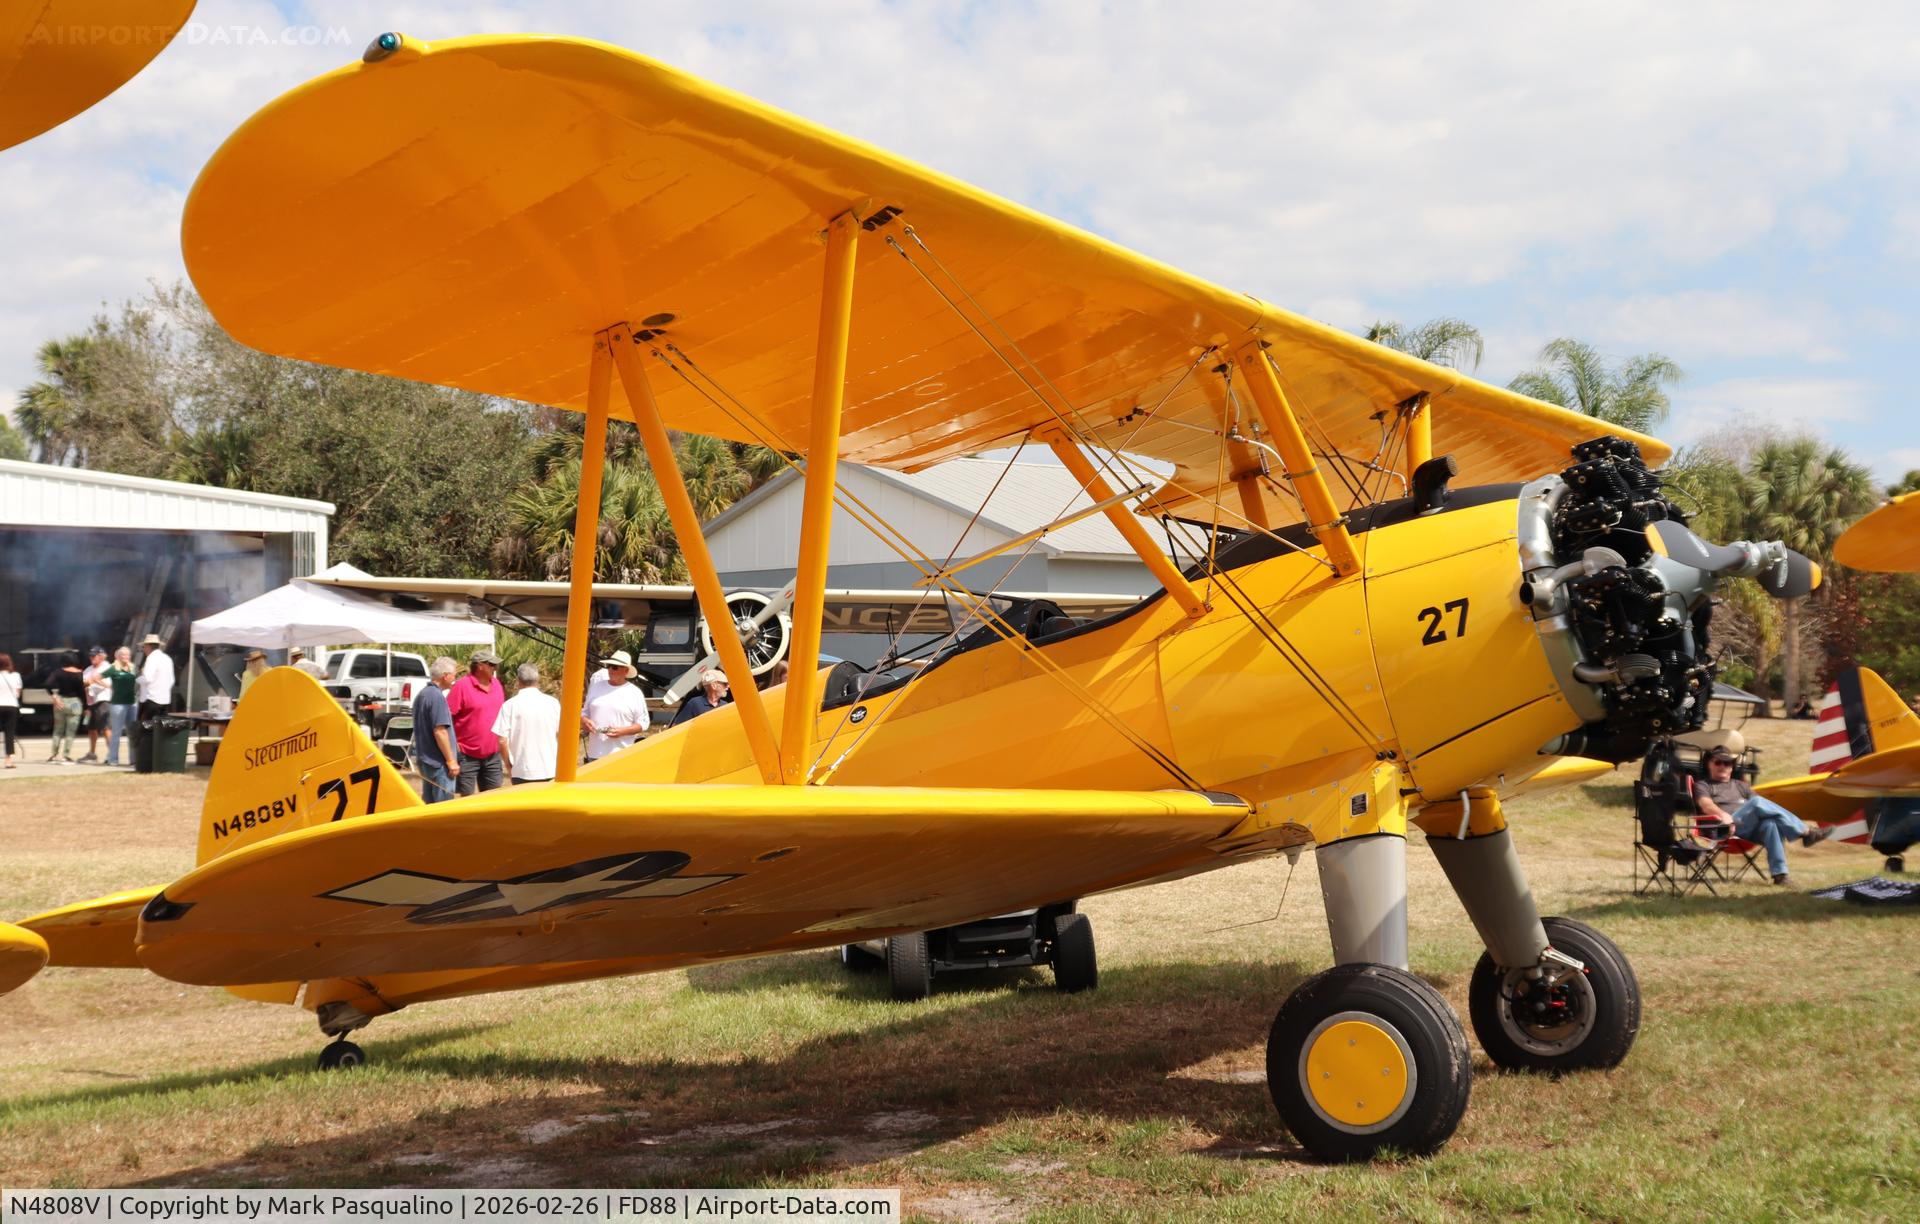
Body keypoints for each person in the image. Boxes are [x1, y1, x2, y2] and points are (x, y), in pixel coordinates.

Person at [1696, 746, 1833, 885]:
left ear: (1732, 767)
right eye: (1718, 762)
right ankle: (1806, 832)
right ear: (1709, 764)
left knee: (1770, 824)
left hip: (1747, 829)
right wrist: (1723, 815)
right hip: (1723, 828)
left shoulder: (1741, 786)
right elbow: (1705, 805)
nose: (1723, 766)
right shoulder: (1704, 785)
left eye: (1727, 763)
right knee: (1756, 802)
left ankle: (1780, 876)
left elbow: (1763, 808)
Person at [445, 649, 507, 794]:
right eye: (491, 665)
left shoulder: (497, 685)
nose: (495, 668)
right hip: (467, 755)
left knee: (494, 800)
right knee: (467, 799)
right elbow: (446, 718)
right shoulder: (462, 686)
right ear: (480, 665)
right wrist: (454, 745)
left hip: (493, 754)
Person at [493, 663, 561, 784]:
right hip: (550, 768)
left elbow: (502, 740)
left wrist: (508, 765)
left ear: (518, 680)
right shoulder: (553, 703)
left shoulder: (509, 705)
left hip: (521, 770)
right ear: (537, 679)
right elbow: (561, 733)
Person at [582, 650, 650, 762]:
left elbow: (644, 723)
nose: (610, 670)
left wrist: (623, 731)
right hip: (594, 755)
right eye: (608, 666)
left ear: (626, 671)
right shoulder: (596, 687)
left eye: (614, 667)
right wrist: (584, 721)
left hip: (622, 756)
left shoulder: (634, 693)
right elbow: (584, 713)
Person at [411, 656, 460, 803]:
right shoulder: (436, 697)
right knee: (443, 808)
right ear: (445, 676)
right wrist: (451, 760)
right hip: (438, 763)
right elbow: (440, 731)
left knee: (430, 805)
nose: (454, 678)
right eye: (453, 675)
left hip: (426, 760)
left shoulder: (422, 695)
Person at [48, 653, 86, 763]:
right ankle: (66, 755)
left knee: (57, 730)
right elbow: (82, 692)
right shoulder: (80, 673)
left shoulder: (58, 672)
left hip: (61, 701)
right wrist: (86, 706)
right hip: (75, 702)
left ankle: (53, 755)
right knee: (71, 731)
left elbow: (47, 684)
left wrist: (54, 696)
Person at [104, 647, 138, 767]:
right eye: (123, 655)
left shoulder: (133, 667)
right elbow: (98, 677)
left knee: (132, 732)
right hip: (118, 704)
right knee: (116, 733)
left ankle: (133, 760)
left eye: (128, 655)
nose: (126, 657)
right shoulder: (113, 668)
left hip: (132, 703)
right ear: (117, 656)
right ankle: (113, 759)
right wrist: (109, 687)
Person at [80, 646, 110, 762]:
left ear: (101, 656)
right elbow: (82, 683)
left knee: (106, 728)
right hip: (90, 702)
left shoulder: (107, 668)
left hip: (103, 701)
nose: (91, 658)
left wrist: (89, 684)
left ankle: (111, 755)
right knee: (91, 728)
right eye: (90, 655)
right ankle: (92, 753)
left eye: (94, 655)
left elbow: (105, 685)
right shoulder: (88, 669)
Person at [136, 633, 175, 721]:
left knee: (147, 731)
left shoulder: (151, 658)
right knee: (160, 731)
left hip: (151, 700)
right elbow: (171, 680)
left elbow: (147, 679)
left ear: (148, 646)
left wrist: (137, 679)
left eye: (144, 647)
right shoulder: (167, 658)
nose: (143, 649)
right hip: (165, 700)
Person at [0, 652, 20, 769]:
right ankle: (8, 760)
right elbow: (17, 693)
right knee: (9, 733)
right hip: (11, 706)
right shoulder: (15, 675)